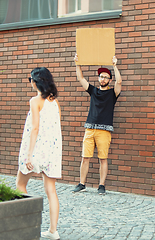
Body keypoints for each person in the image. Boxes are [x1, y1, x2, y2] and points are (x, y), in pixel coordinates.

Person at [16, 67, 62, 240]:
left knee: (20, 185)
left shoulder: (35, 101)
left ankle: (26, 225)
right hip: (52, 151)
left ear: (36, 82)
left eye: (30, 79)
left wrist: (29, 155)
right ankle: (53, 231)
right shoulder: (54, 102)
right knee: (51, 189)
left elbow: (35, 128)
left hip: (36, 149)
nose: (30, 82)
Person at [72, 53, 122, 195]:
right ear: (98, 78)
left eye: (106, 77)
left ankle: (101, 185)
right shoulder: (93, 91)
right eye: (101, 76)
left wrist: (115, 66)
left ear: (109, 80)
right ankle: (82, 184)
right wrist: (77, 64)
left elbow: (119, 82)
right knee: (85, 157)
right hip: (89, 129)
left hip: (104, 131)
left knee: (103, 159)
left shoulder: (113, 93)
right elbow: (80, 78)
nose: (103, 78)